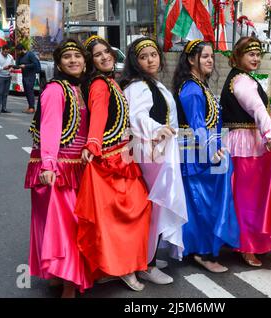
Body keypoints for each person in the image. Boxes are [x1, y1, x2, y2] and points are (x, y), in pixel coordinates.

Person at [73, 35, 152, 292]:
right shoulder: (99, 84)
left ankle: (120, 265)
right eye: (98, 55)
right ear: (91, 61)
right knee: (125, 216)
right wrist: (93, 145)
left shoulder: (109, 81)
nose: (105, 56)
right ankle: (123, 268)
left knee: (129, 214)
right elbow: (98, 116)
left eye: (106, 51)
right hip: (109, 161)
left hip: (120, 155)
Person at [25, 39, 93, 298]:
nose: (73, 60)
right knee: (66, 226)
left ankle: (58, 276)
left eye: (78, 56)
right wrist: (49, 165)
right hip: (59, 167)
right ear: (59, 63)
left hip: (77, 166)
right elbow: (50, 129)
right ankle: (69, 284)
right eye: (67, 57)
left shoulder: (80, 90)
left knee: (65, 224)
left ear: (85, 61)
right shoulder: (56, 90)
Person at [220, 37, 271, 267]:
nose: (256, 58)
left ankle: (248, 241)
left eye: (258, 54)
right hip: (246, 145)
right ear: (238, 56)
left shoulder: (243, 78)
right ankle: (247, 245)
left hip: (249, 142)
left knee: (249, 198)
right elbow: (258, 109)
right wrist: (270, 134)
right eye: (250, 54)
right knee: (247, 199)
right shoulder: (241, 81)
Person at [120, 37, 188, 284]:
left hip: (160, 150)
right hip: (151, 152)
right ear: (135, 62)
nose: (150, 60)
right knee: (158, 204)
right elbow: (137, 117)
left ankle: (146, 257)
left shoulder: (154, 84)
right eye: (143, 56)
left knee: (158, 205)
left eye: (153, 54)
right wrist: (157, 129)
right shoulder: (137, 86)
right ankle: (146, 264)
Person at [173, 39, 240, 273]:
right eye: (204, 56)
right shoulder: (191, 88)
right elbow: (198, 125)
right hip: (196, 155)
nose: (210, 60)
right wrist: (213, 151)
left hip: (204, 152)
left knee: (203, 203)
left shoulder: (200, 85)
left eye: (211, 56)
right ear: (191, 60)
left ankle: (200, 249)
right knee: (202, 204)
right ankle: (202, 252)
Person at [16, 43, 41, 114]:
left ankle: (32, 108)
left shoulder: (30, 54)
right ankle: (30, 106)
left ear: (22, 49)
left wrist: (25, 66)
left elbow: (35, 64)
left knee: (30, 91)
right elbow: (18, 65)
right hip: (24, 75)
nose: (17, 52)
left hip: (30, 76)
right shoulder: (20, 56)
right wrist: (11, 66)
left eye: (18, 51)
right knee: (26, 92)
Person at [0, 45, 14, 114]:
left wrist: (11, 68)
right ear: (2, 50)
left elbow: (13, 64)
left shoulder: (10, 56)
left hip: (8, 76)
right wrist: (3, 68)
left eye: (8, 52)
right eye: (5, 52)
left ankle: (4, 108)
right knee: (0, 92)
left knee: (6, 93)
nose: (6, 53)